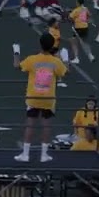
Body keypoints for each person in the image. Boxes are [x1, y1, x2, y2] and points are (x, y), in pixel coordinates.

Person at [13, 33, 68, 163]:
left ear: (40, 44)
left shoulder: (32, 59)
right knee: (46, 126)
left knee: (30, 125)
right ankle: (44, 155)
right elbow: (66, 72)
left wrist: (16, 52)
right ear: (52, 46)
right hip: (48, 98)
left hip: (33, 97)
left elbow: (17, 66)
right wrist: (65, 58)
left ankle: (25, 154)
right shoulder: (56, 61)